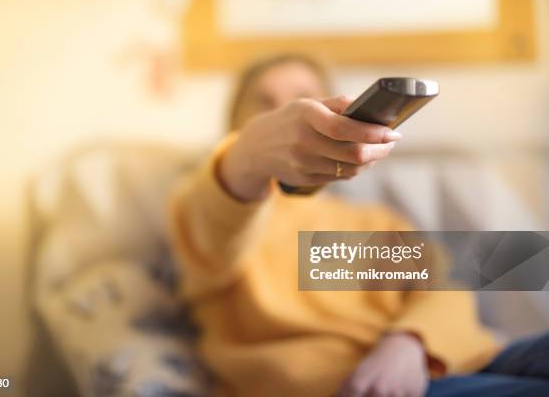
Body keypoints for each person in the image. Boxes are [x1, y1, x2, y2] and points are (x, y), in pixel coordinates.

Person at [168, 54, 549, 397]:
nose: (286, 110)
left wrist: (410, 343)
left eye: (304, 97)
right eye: (264, 103)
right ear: (236, 122)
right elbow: (214, 218)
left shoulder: (375, 220)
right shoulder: (213, 203)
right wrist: (247, 154)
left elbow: (441, 290)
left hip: (448, 362)